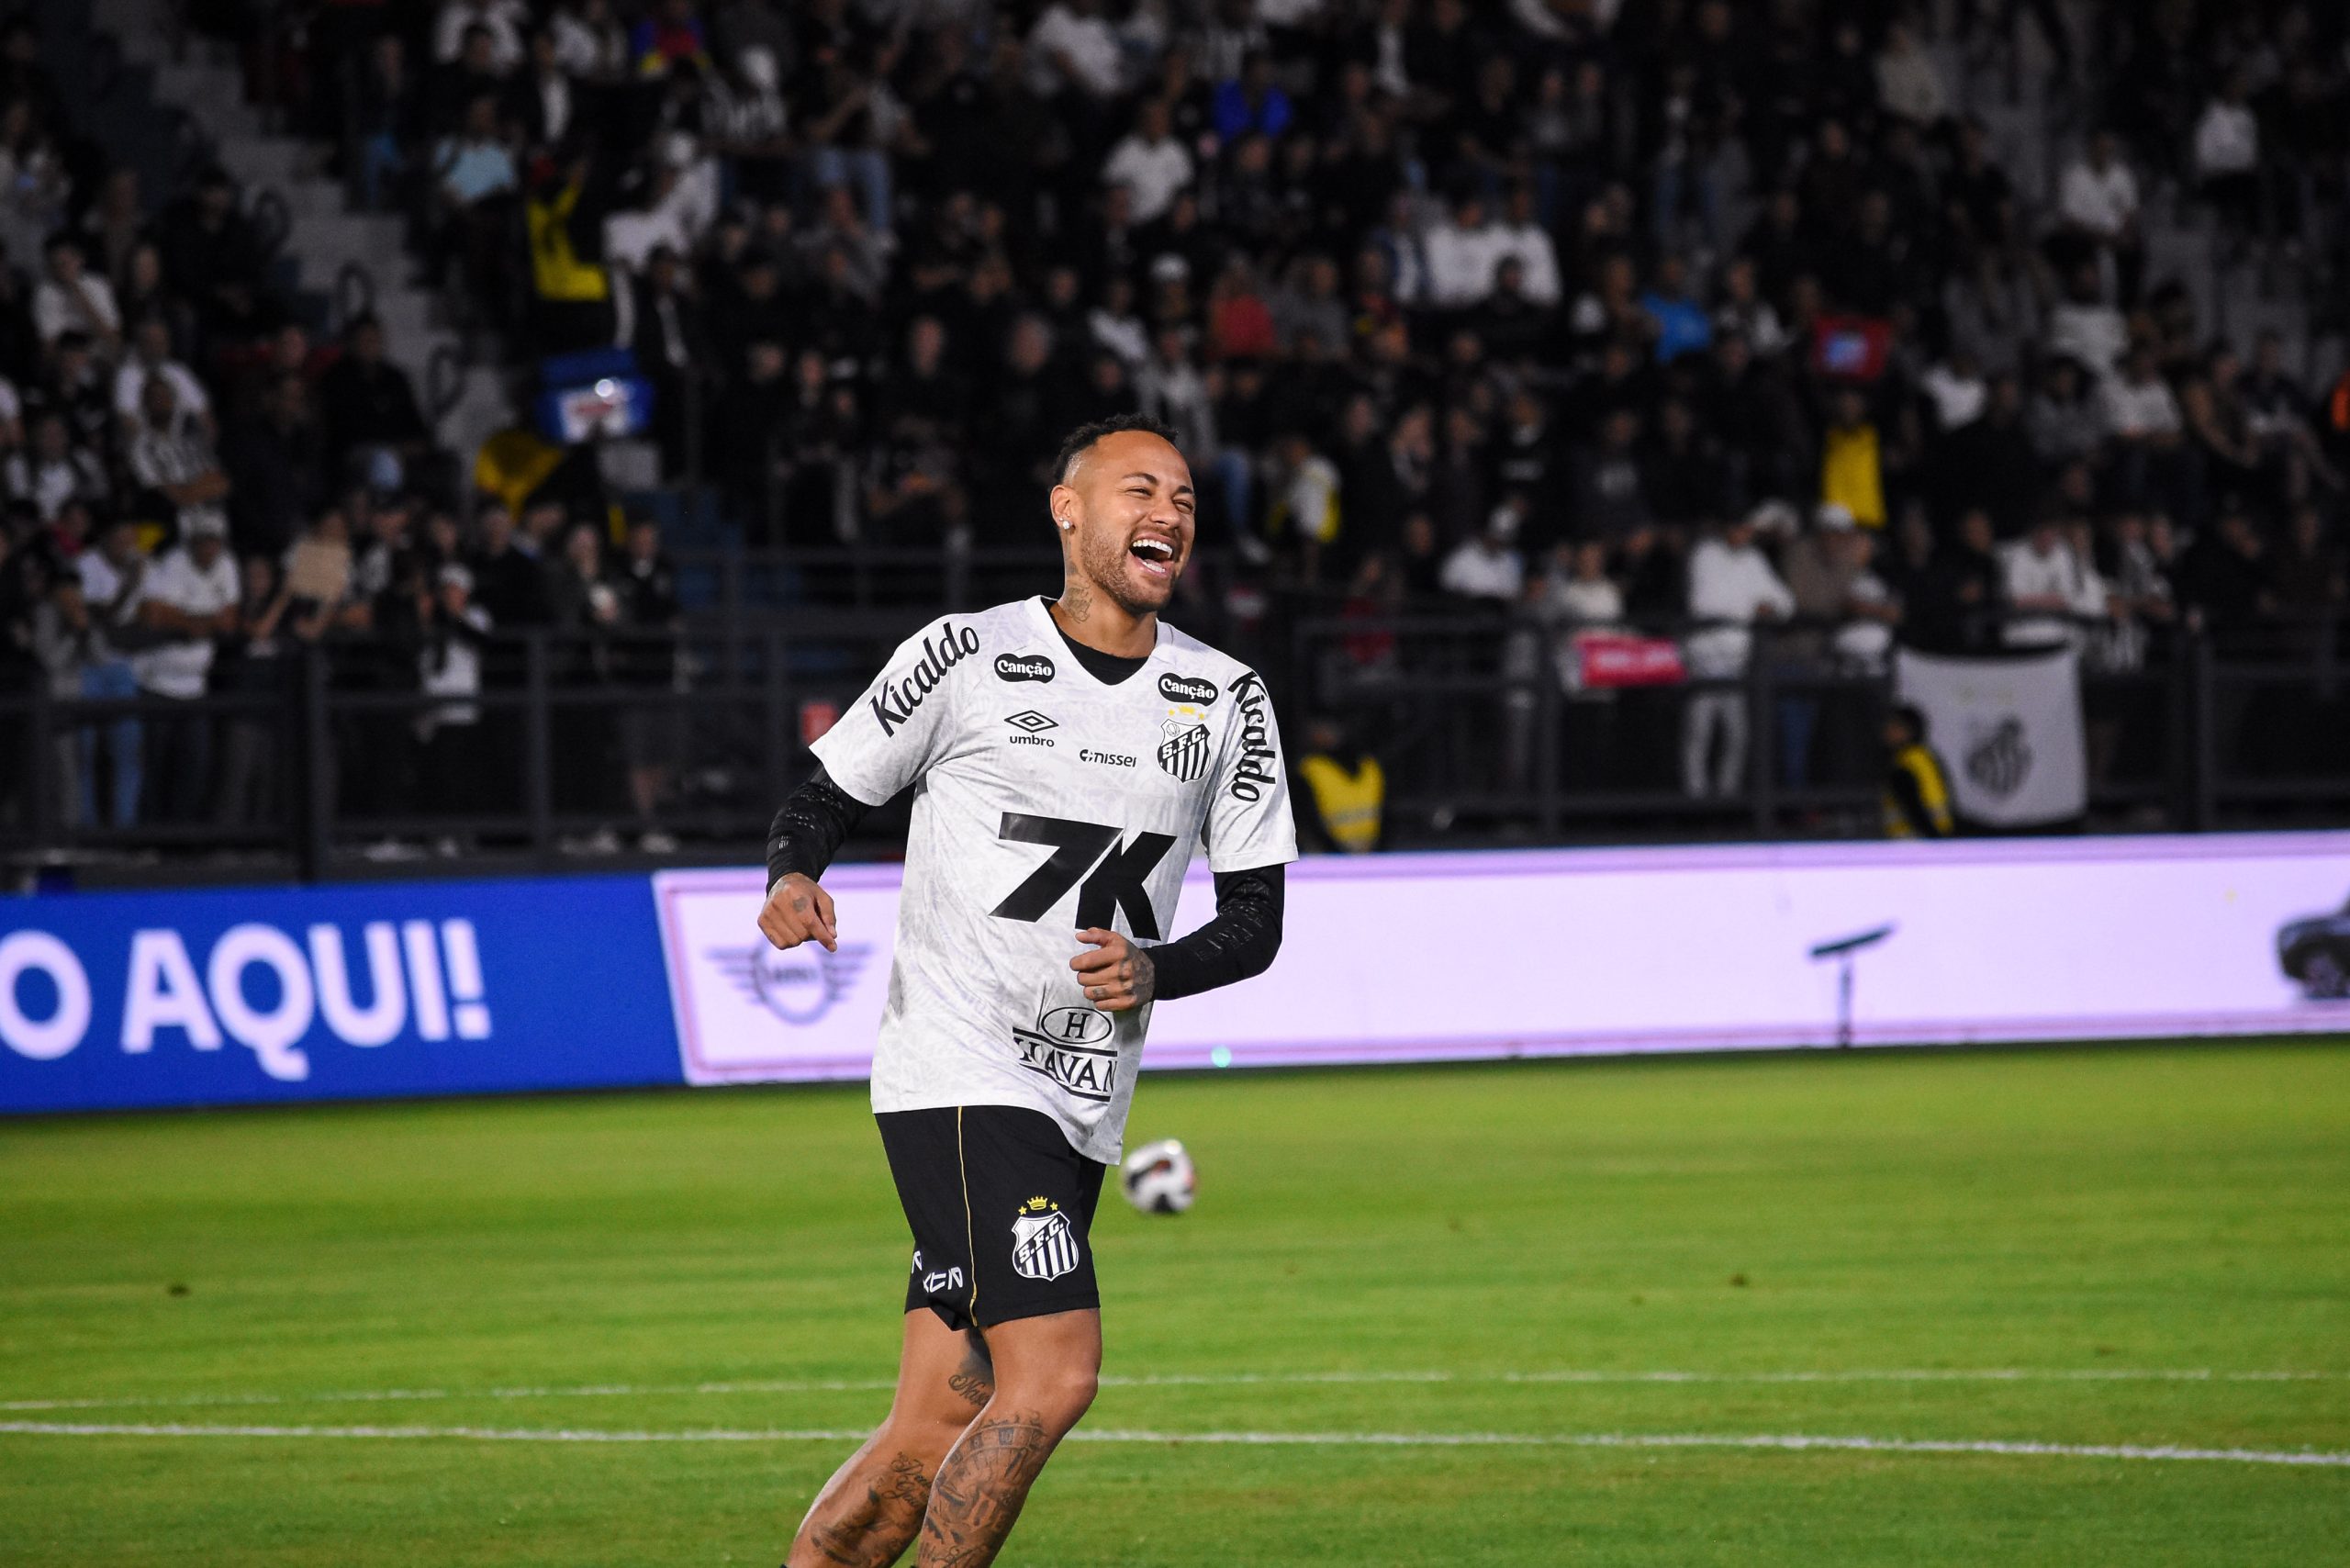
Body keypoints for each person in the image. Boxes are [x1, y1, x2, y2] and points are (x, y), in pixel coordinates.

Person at [759, 412, 1295, 1568]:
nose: (1169, 513)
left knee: (936, 1422)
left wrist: (1158, 967)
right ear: (1067, 509)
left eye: (1187, 498)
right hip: (959, 1067)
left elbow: (1256, 925)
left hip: (1079, 1098)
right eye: (1139, 489)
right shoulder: (962, 654)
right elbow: (828, 790)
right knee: (1055, 1373)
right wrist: (792, 872)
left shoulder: (1228, 697)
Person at [1882, 703, 1954, 838]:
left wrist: (1936, 841)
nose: (1887, 731)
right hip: (1935, 840)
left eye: (1893, 726)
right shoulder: (1925, 758)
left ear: (1907, 731)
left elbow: (1915, 811)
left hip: (1914, 845)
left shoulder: (1904, 765)